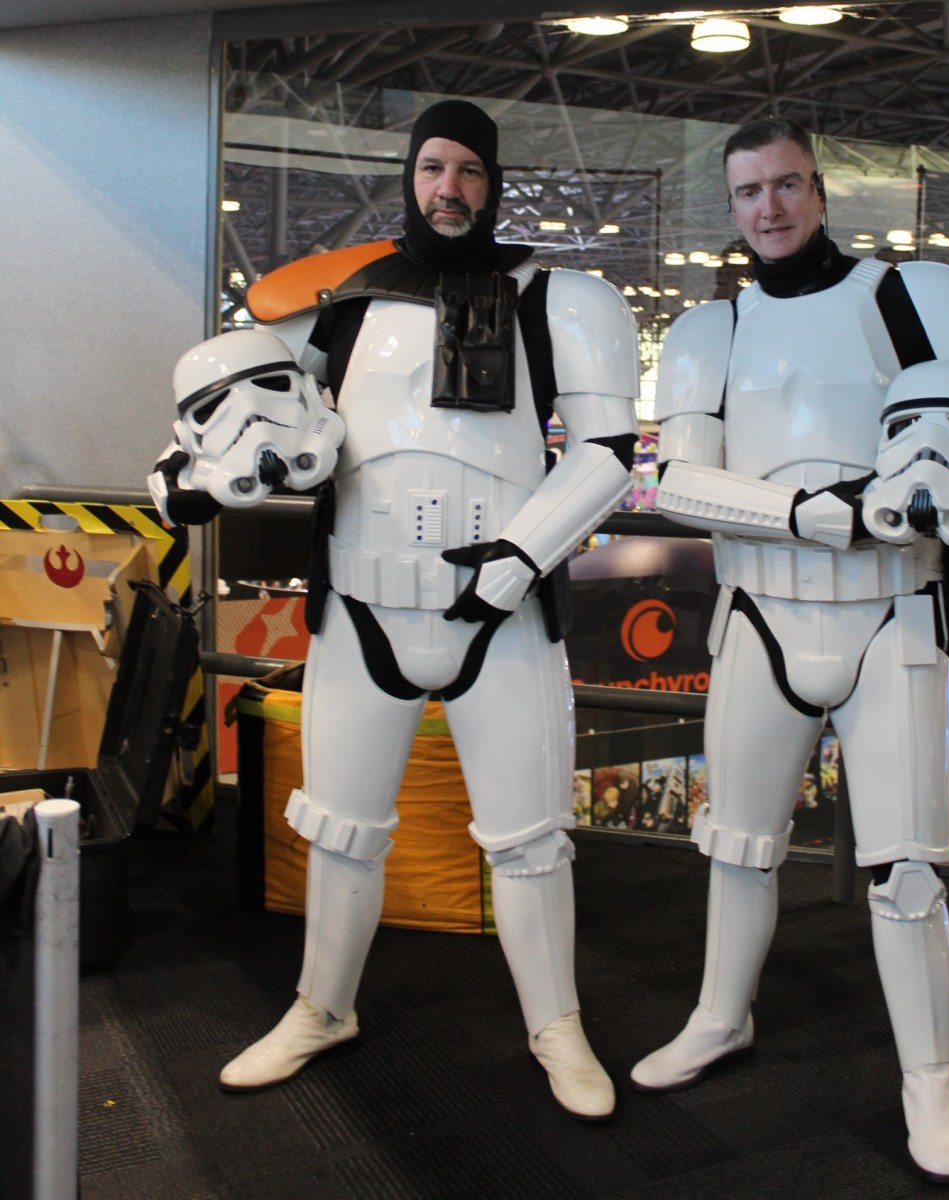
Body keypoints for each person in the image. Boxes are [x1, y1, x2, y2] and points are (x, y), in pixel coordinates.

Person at [149, 99, 640, 1120]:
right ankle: (322, 1006)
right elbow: (240, 410)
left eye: (466, 169)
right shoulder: (339, 300)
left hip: (495, 613)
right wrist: (186, 478)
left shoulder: (558, 300)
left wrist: (518, 557)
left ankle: (557, 1025)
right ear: (409, 177)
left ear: (491, 180)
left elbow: (606, 456)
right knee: (339, 831)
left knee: (530, 839)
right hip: (361, 611)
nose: (447, 187)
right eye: (431, 168)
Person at [635, 116, 949, 1182]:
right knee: (737, 845)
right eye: (749, 193)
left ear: (819, 190)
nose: (770, 208)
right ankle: (718, 1014)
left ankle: (929, 1077)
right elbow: (681, 482)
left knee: (910, 871)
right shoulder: (713, 329)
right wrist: (816, 514)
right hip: (762, 611)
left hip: (896, 608)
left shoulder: (914, 294)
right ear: (733, 207)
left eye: (786, 185)